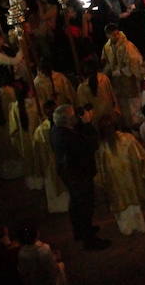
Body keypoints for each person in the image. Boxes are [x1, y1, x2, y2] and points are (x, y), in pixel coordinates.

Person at [50, 104, 110, 250]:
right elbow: (92, 144)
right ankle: (89, 241)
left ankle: (80, 231)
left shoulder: (56, 130)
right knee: (85, 205)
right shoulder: (70, 138)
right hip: (79, 175)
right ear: (69, 121)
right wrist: (88, 124)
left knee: (76, 203)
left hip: (68, 173)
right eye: (73, 116)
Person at [94, 114, 145, 235]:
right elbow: (101, 171)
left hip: (131, 181)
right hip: (116, 186)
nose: (109, 131)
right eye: (106, 129)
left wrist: (144, 173)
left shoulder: (128, 140)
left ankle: (138, 226)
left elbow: (142, 157)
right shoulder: (102, 149)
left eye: (110, 127)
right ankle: (127, 229)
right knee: (122, 210)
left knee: (135, 207)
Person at [101, 23, 145, 127]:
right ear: (107, 35)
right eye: (111, 34)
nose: (115, 36)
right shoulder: (107, 47)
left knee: (134, 107)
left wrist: (120, 72)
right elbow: (107, 62)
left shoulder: (127, 46)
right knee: (123, 107)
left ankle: (138, 127)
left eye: (116, 34)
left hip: (129, 82)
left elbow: (135, 63)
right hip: (117, 85)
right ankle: (128, 126)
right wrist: (105, 74)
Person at [33, 100, 70, 213]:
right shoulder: (41, 130)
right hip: (51, 165)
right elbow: (38, 151)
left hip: (60, 163)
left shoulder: (63, 125)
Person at [9, 82, 44, 191]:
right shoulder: (38, 103)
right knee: (39, 160)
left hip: (24, 141)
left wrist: (16, 143)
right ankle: (41, 180)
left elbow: (13, 130)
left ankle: (32, 181)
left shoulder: (15, 107)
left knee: (29, 161)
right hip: (38, 139)